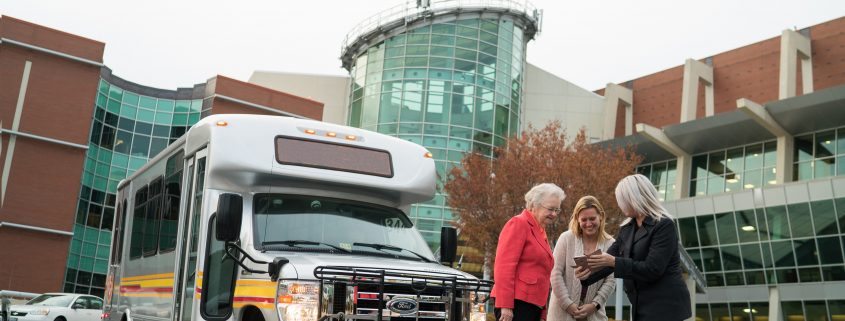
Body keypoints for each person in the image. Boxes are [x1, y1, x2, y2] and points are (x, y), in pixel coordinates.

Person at [578, 174, 691, 321]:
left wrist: (613, 262)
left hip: (666, 307)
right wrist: (587, 273)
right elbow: (606, 259)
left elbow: (653, 269)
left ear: (635, 198)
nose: (620, 204)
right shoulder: (627, 228)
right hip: (640, 306)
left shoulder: (664, 225)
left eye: (622, 200)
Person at [492, 183, 566, 321]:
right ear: (533, 205)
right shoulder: (518, 224)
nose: (554, 214)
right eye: (550, 209)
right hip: (516, 304)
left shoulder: (541, 231)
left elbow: (541, 275)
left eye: (557, 210)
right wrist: (506, 305)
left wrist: (542, 312)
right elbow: (504, 267)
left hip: (532, 306)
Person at [548, 196, 615, 321]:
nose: (588, 224)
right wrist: (568, 305)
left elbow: (610, 281)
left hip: (594, 315)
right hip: (562, 314)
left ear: (600, 216)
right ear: (577, 219)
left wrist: (594, 305)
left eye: (592, 218)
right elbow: (555, 273)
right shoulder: (566, 239)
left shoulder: (610, 244)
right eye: (584, 219)